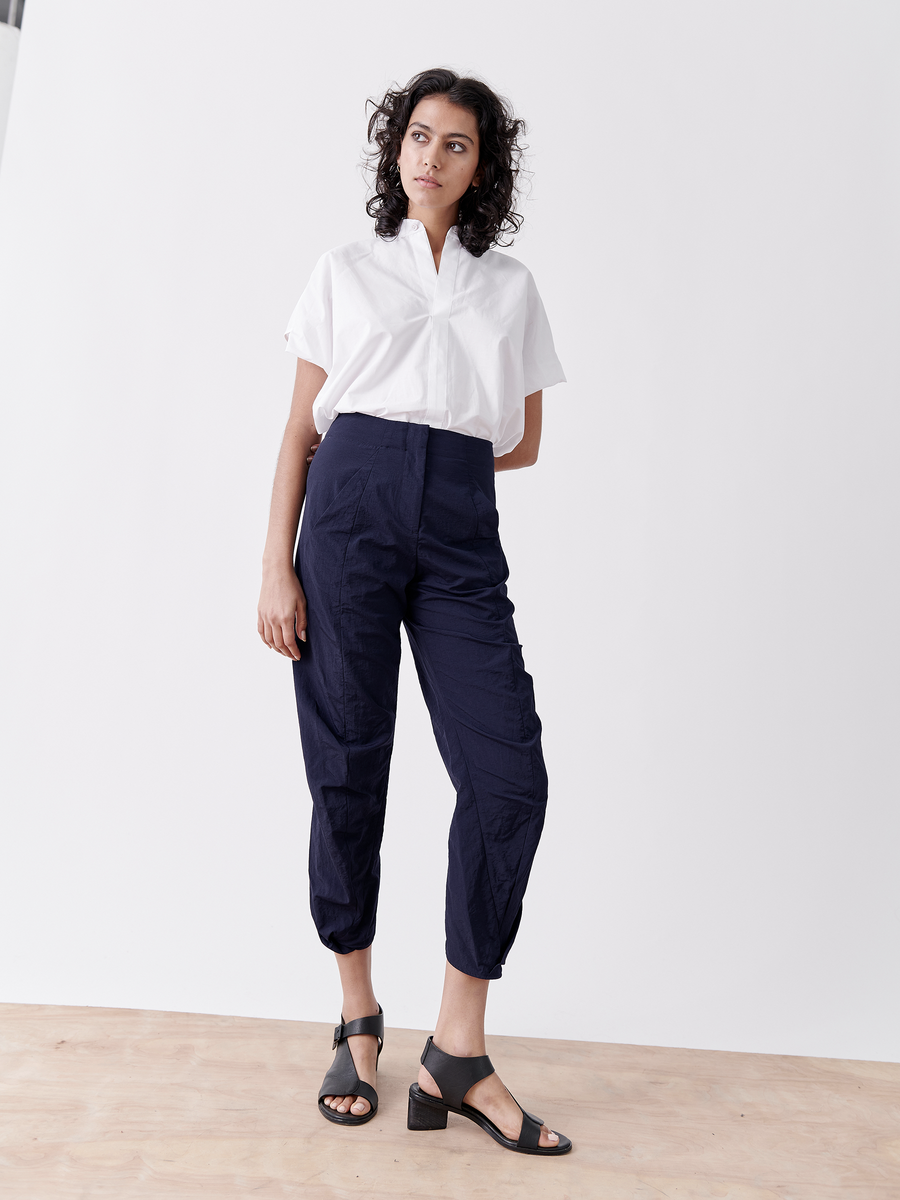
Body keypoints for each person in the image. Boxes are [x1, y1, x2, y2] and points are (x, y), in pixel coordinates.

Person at [257, 67, 571, 1157]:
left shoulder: (509, 287)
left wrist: (439, 465)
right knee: (348, 761)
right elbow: (300, 431)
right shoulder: (345, 271)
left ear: (484, 168)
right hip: (344, 515)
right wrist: (275, 567)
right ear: (396, 150)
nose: (433, 157)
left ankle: (458, 1047)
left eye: (459, 145)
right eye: (420, 137)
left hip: (456, 533)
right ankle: (355, 1014)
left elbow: (520, 439)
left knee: (508, 776)